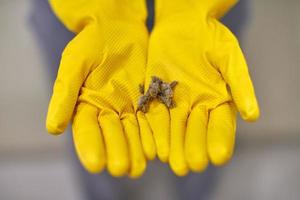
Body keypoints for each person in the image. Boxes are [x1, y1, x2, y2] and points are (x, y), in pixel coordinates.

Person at [31, 0, 258, 199]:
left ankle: (197, 193)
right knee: (94, 120)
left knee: (201, 130)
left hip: (206, 8)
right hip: (80, 12)